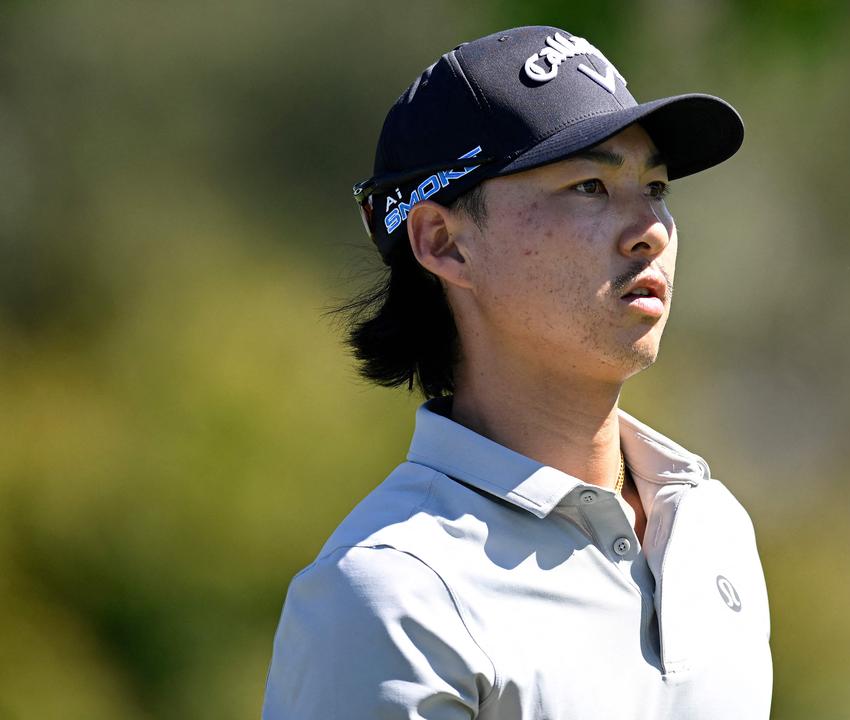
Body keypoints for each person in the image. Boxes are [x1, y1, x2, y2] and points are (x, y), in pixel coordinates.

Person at [261, 25, 771, 719]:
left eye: (655, 186)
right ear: (444, 242)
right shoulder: (390, 593)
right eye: (590, 185)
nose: (649, 226)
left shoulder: (712, 529)